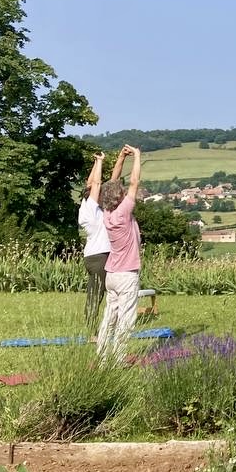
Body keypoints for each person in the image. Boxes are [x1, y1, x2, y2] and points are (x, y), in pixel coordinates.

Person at [94, 144, 142, 362]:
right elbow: (133, 182)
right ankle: (119, 357)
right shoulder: (123, 211)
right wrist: (138, 156)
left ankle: (103, 355)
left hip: (111, 274)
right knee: (126, 317)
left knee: (109, 316)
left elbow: (112, 185)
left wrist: (121, 158)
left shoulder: (107, 212)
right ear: (120, 198)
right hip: (126, 274)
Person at [77, 152, 111, 331]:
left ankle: (94, 327)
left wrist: (95, 163)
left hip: (92, 257)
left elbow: (90, 184)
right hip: (100, 258)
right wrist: (99, 162)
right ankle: (93, 331)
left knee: (93, 293)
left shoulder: (85, 207)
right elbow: (95, 184)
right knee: (96, 295)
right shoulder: (91, 208)